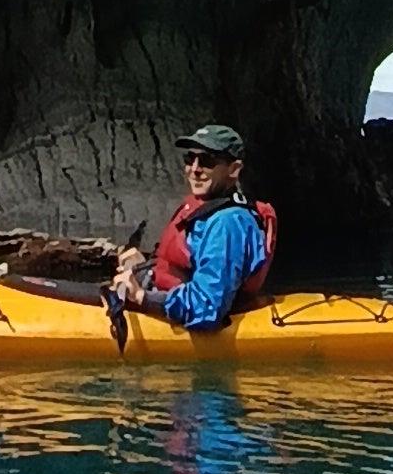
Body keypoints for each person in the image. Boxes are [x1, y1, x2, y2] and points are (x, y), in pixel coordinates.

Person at [111, 123, 276, 331]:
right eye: (190, 159)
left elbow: (206, 307)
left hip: (194, 315)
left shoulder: (228, 224)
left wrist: (142, 297)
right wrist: (144, 267)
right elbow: (186, 268)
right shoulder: (204, 208)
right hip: (166, 295)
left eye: (207, 161)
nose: (195, 169)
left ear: (233, 169)